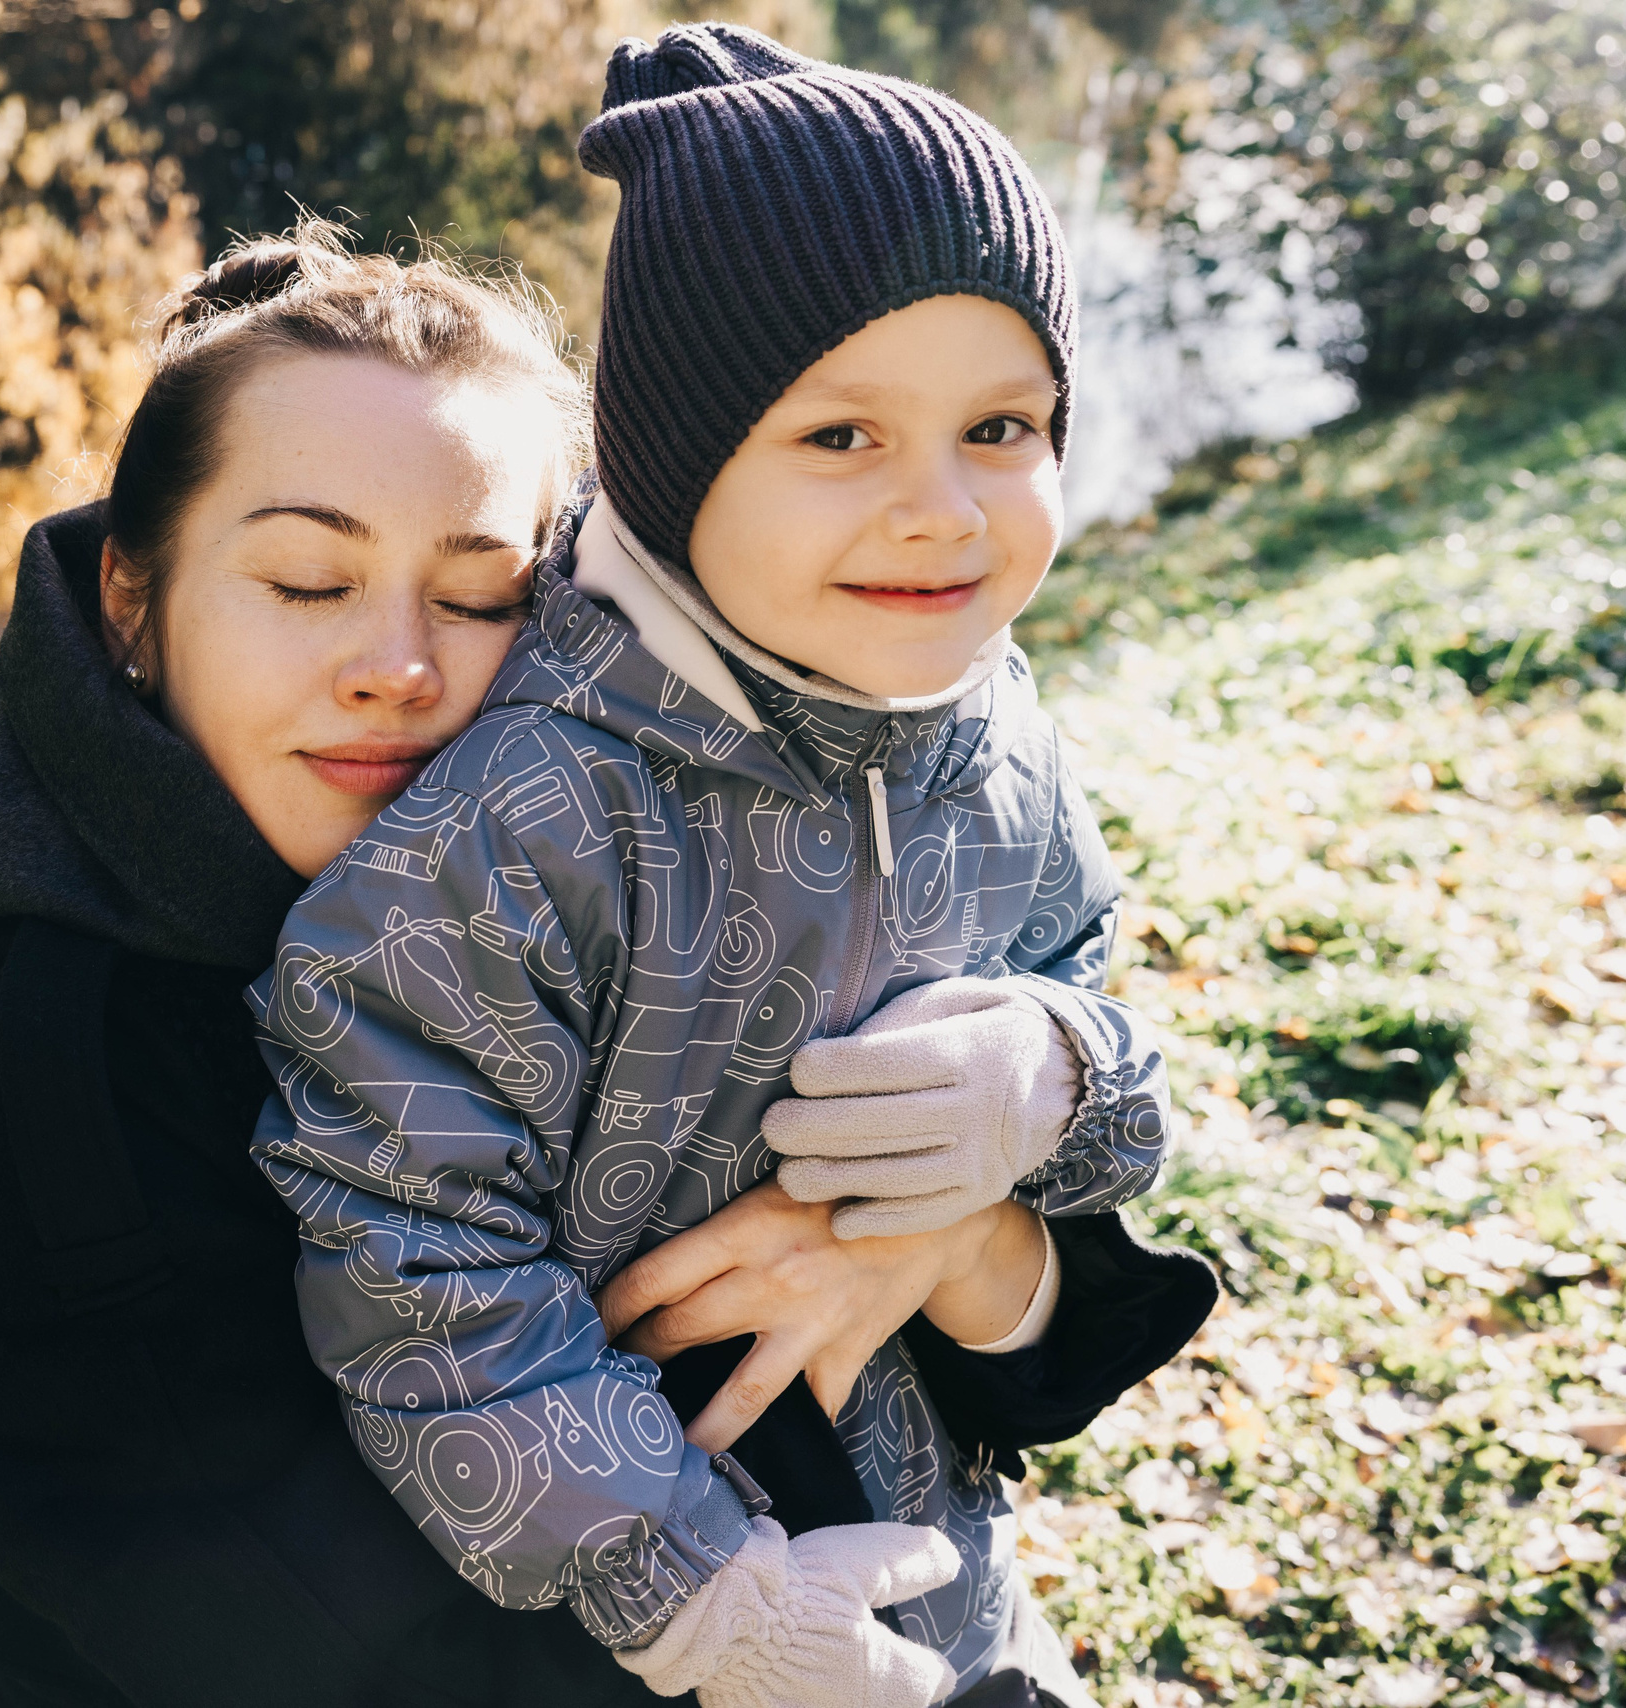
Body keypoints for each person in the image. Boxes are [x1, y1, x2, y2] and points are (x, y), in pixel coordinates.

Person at [0, 222, 1188, 1708]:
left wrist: (950, 1237)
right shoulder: (53, 1036)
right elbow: (173, 1584)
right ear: (131, 601)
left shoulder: (646, 870)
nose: (399, 667)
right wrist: (721, 1624)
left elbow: (1009, 1369)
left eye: (482, 596)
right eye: (307, 582)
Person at [248, 27, 1214, 1708]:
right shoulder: (528, 818)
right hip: (680, 1639)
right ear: (683, 456)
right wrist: (697, 1598)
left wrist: (1056, 1074)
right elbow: (415, 1256)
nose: (946, 514)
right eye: (841, 437)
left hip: (955, 1580)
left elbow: (1092, 981)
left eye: (1003, 425)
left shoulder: (989, 727)